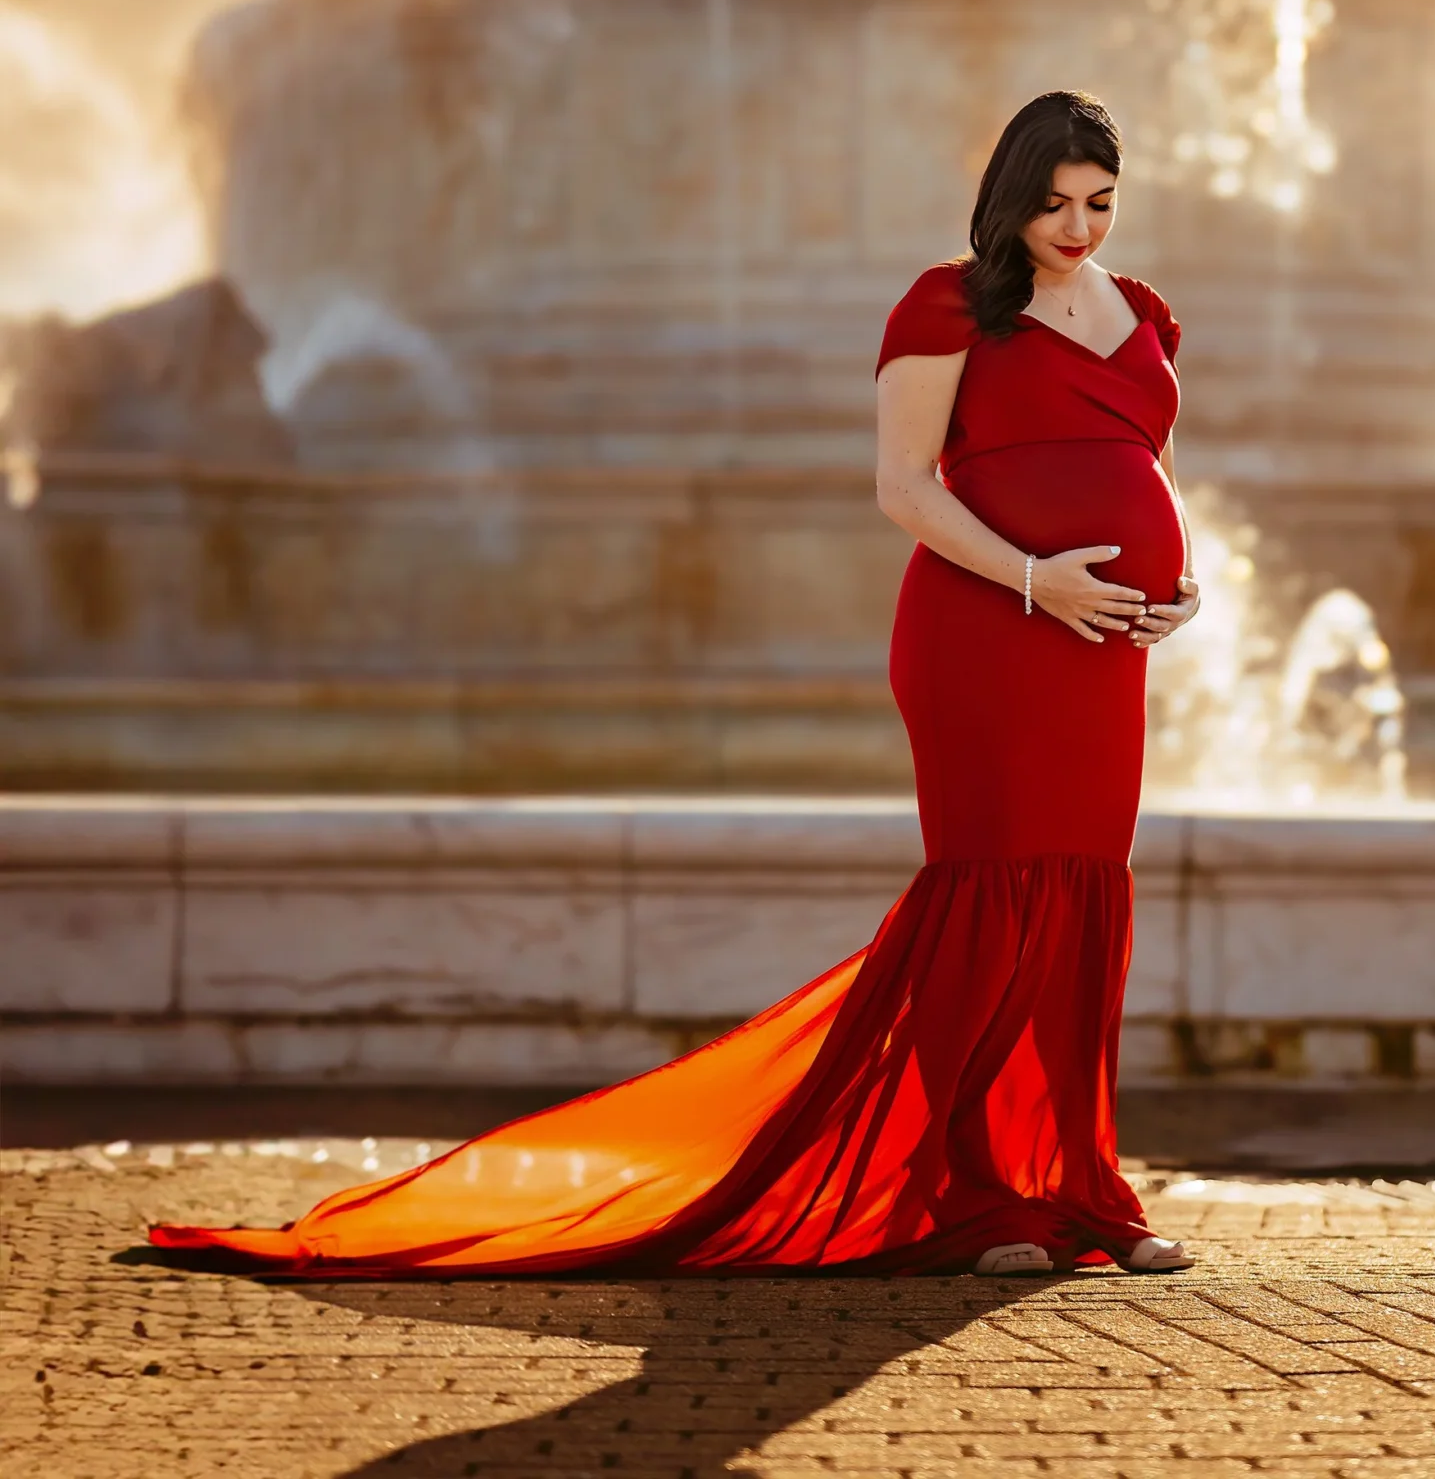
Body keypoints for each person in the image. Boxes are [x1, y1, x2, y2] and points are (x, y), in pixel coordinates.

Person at [150, 89, 1201, 1278]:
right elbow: (903, 487)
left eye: (1101, 203)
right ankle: (967, 1191)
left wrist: (1182, 587)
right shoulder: (947, 299)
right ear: (1012, 194)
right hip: (985, 631)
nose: (1078, 226)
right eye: (1056, 202)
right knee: (985, 898)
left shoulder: (1148, 313)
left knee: (1080, 900)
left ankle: (1077, 1181)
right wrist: (1032, 579)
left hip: (1102, 645)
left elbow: (1151, 471)